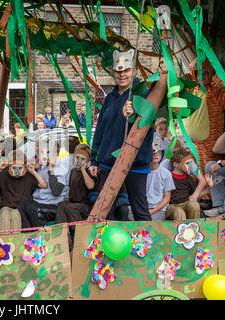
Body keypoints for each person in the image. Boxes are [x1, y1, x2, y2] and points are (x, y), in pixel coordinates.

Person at [89, 49, 168, 221]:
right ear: (113, 72)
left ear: (133, 71)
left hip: (136, 163)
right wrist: (94, 159)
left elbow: (147, 122)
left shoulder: (144, 94)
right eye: (118, 71)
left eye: (126, 70)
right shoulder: (109, 99)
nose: (122, 74)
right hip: (108, 163)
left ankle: (147, 246)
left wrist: (135, 114)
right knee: (105, 212)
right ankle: (106, 246)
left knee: (140, 209)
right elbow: (100, 131)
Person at [0, 149, 47, 231]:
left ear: (24, 166)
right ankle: (5, 239)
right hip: (6, 206)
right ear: (9, 166)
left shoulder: (28, 176)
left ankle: (16, 240)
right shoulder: (3, 175)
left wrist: (33, 172)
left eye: (20, 168)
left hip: (22, 208)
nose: (17, 171)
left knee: (16, 214)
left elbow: (44, 185)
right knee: (5, 213)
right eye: (14, 168)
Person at [18, 141, 68, 228]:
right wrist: (35, 170)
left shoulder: (60, 168)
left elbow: (56, 191)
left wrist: (50, 169)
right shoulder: (43, 164)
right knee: (22, 205)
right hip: (39, 202)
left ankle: (42, 236)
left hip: (54, 206)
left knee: (33, 209)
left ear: (56, 154)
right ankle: (28, 235)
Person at [55, 144, 95, 224]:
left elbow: (91, 186)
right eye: (77, 157)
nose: (79, 161)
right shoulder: (73, 171)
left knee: (71, 208)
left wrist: (83, 170)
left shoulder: (89, 171)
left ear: (87, 160)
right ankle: (62, 231)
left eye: (82, 159)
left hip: (84, 205)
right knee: (61, 205)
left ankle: (78, 232)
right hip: (72, 202)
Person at [165, 148, 201, 220]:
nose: (189, 166)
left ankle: (193, 226)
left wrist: (209, 187)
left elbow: (193, 196)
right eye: (186, 163)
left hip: (185, 204)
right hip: (172, 206)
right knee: (179, 212)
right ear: (175, 164)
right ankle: (181, 230)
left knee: (194, 205)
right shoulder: (168, 176)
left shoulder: (188, 178)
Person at [146, 142, 175, 221]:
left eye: (158, 152)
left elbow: (167, 198)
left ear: (161, 155)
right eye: (153, 152)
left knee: (151, 223)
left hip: (158, 209)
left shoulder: (166, 173)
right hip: (143, 207)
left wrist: (152, 211)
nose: (156, 155)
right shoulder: (142, 172)